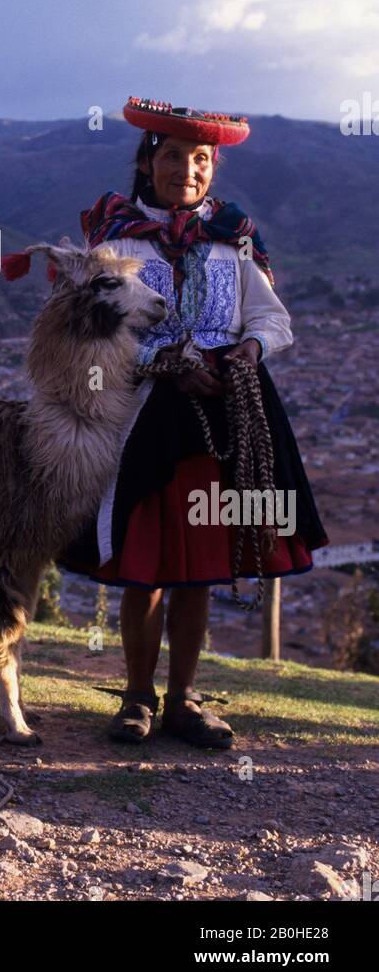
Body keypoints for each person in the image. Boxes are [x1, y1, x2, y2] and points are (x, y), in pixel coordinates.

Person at [59, 97, 328, 748]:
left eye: (199, 159)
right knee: (142, 563)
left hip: (223, 415)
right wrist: (161, 360)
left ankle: (181, 699)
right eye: (172, 156)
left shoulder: (231, 241)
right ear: (146, 163)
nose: (186, 169)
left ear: (212, 169)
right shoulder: (116, 243)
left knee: (199, 566)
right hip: (144, 417)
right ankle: (134, 698)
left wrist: (248, 348)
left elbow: (272, 318)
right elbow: (92, 332)